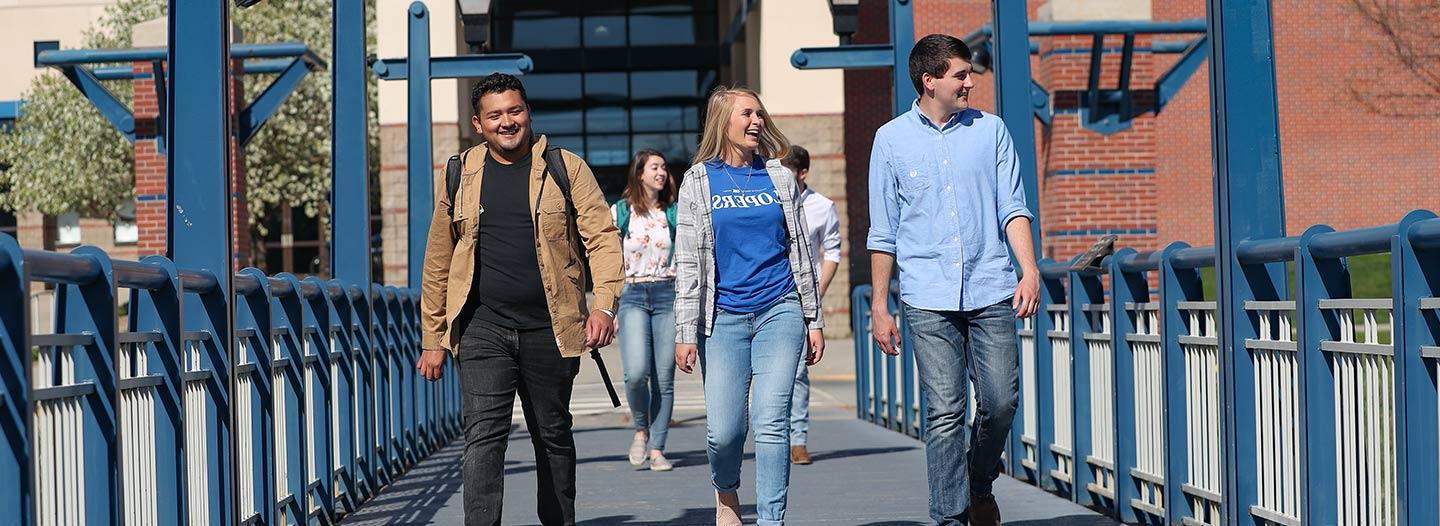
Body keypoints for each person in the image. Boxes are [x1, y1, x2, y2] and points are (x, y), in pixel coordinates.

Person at [415, 73, 624, 526]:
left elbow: (603, 239)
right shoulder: (460, 174)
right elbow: (438, 259)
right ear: (478, 123)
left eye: (515, 111)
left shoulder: (566, 168)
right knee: (483, 437)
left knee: (552, 434)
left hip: (551, 326)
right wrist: (433, 336)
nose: (507, 122)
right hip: (481, 326)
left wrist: (605, 304)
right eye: (495, 115)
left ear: (527, 112)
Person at [866, 34, 1040, 526]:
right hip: (927, 296)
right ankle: (949, 516)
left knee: (1001, 403)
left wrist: (1028, 269)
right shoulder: (890, 139)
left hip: (990, 286)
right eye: (960, 74)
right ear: (930, 80)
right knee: (944, 414)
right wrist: (880, 306)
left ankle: (979, 482)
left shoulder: (992, 131)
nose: (970, 81)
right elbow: (884, 232)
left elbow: (1013, 207)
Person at [673, 86, 826, 526]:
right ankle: (727, 493)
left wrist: (812, 318)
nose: (757, 121)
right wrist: (685, 331)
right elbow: (687, 262)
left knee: (772, 421)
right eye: (747, 114)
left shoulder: (778, 177)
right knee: (725, 432)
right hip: (722, 318)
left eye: (760, 113)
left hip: (781, 308)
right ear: (724, 120)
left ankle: (773, 520)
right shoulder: (699, 180)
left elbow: (800, 250)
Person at [613, 148, 680, 471]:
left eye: (664, 168)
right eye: (655, 167)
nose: (661, 172)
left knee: (664, 378)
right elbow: (607, 261)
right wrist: (607, 306)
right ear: (639, 174)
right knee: (637, 373)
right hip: (633, 295)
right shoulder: (621, 213)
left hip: (668, 294)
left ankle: (657, 448)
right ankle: (641, 428)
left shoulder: (675, 213)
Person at [777, 145, 841, 466]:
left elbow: (832, 252)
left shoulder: (822, 207)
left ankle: (798, 440)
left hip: (804, 298)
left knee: (800, 372)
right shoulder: (769, 201)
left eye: (789, 174)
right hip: (771, 294)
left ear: (803, 174)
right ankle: (774, 436)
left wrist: (818, 290)